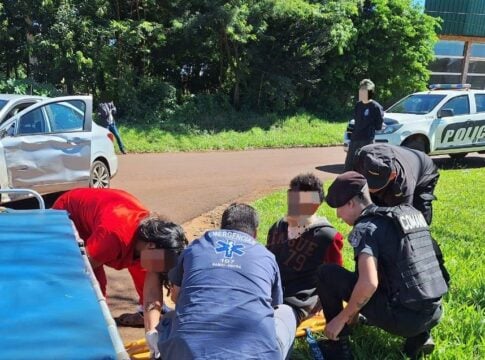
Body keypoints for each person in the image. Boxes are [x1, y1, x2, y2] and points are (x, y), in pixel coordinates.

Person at [315, 172, 448, 360]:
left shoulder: (366, 228)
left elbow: (368, 283)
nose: (338, 215)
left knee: (326, 274)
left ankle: (337, 346)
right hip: (434, 311)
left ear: (351, 203)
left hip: (403, 319)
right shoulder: (405, 216)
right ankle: (419, 337)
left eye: (338, 208)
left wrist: (342, 318)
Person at [154, 203, 296, 360]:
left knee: (168, 319)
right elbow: (274, 306)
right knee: (286, 313)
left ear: (222, 227)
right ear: (255, 233)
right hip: (254, 354)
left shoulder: (195, 247)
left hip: (188, 353)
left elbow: (176, 296)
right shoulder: (266, 256)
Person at [52, 188, 186, 329]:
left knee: (145, 271)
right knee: (94, 281)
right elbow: (82, 271)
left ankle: (143, 314)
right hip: (68, 214)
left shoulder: (151, 240)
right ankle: (91, 320)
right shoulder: (113, 238)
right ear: (151, 246)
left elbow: (152, 290)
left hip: (111, 212)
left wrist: (152, 331)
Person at [266, 173, 344, 325]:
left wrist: (323, 303)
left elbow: (335, 276)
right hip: (269, 293)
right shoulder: (277, 227)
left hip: (298, 303)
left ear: (314, 205)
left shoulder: (327, 236)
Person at [353, 143, 439, 225]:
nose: (370, 188)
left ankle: (424, 235)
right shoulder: (362, 157)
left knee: (417, 213)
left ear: (392, 175)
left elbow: (405, 214)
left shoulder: (404, 184)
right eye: (369, 181)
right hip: (402, 159)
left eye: (375, 184)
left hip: (424, 171)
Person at [344, 79, 384, 171]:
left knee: (364, 166)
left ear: (371, 92)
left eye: (366, 91)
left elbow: (378, 126)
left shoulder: (376, 107)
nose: (363, 93)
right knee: (349, 165)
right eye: (362, 90)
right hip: (355, 139)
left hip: (367, 140)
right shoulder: (358, 105)